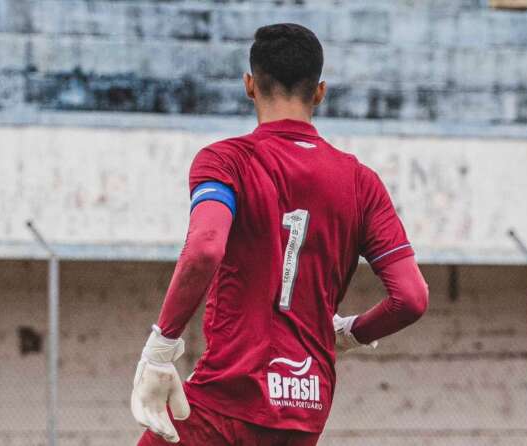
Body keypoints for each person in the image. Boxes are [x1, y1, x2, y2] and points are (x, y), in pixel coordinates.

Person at [129, 23, 430, 445]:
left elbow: (204, 249)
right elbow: (411, 298)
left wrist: (161, 350)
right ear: (320, 92)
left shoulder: (226, 161)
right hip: (306, 407)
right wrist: (350, 333)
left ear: (249, 85)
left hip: (228, 397)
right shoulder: (361, 182)